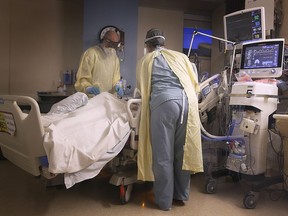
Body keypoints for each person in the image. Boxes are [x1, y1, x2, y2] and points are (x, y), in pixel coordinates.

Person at [136, 28, 203, 211]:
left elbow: (141, 89)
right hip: (188, 104)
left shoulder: (146, 60)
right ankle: (180, 196)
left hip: (164, 105)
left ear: (148, 45)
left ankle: (164, 201)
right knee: (182, 152)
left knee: (163, 156)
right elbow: (194, 83)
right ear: (163, 43)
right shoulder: (180, 57)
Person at [74, 30, 123, 97]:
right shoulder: (90, 54)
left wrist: (117, 85)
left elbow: (116, 76)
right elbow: (82, 77)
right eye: (113, 43)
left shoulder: (114, 56)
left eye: (116, 44)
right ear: (106, 40)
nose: (114, 46)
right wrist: (87, 87)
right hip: (93, 98)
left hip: (109, 98)